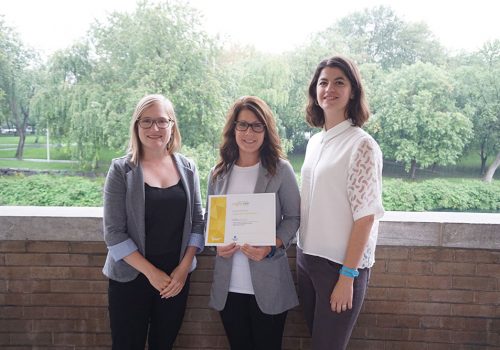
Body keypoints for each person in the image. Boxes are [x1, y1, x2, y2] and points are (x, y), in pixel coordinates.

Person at [102, 94, 204, 350]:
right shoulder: (121, 170)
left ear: (172, 126)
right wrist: (152, 274)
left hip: (174, 279)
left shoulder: (188, 168)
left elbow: (198, 223)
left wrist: (183, 269)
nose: (154, 128)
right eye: (146, 121)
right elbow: (114, 233)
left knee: (164, 344)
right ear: (136, 127)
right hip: (131, 277)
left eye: (161, 121)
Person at [297, 56, 385, 350]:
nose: (329, 89)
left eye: (339, 82)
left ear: (353, 91)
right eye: (323, 82)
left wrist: (347, 276)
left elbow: (366, 217)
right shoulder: (314, 142)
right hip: (306, 260)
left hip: (340, 268)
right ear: (314, 90)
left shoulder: (361, 144)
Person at [206, 96, 300, 350]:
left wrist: (271, 246)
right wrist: (216, 245)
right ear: (233, 128)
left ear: (266, 131)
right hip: (229, 285)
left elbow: (293, 218)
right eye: (243, 125)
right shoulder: (218, 174)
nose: (249, 132)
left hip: (268, 283)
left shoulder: (281, 170)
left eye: (257, 126)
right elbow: (211, 222)